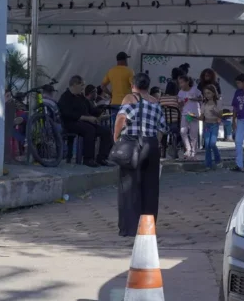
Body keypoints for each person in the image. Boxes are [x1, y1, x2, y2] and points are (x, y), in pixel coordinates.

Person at [113, 73, 167, 237]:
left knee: (128, 186)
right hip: (150, 145)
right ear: (148, 86)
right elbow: (162, 128)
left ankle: (129, 228)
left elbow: (121, 119)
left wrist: (116, 139)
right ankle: (147, 227)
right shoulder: (155, 103)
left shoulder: (129, 99)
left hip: (131, 145)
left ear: (133, 85)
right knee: (151, 187)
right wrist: (154, 143)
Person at [58, 75, 114, 167]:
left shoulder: (81, 97)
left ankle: (102, 158)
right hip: (71, 124)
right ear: (75, 84)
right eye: (82, 85)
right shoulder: (65, 97)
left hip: (85, 122)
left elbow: (91, 110)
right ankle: (88, 159)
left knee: (106, 131)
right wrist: (87, 118)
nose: (83, 88)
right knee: (90, 129)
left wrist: (101, 114)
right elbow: (67, 114)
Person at [177, 75, 202, 160]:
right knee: (183, 131)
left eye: (182, 82)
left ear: (187, 82)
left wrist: (192, 99)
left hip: (194, 114)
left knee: (193, 133)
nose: (181, 85)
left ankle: (193, 152)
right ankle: (188, 149)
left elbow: (201, 98)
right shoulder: (180, 92)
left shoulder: (194, 89)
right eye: (179, 83)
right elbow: (179, 104)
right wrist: (181, 103)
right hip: (185, 113)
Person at [200, 86, 223, 169]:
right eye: (205, 93)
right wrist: (193, 116)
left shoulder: (218, 103)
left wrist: (215, 113)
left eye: (209, 93)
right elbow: (201, 117)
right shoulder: (204, 104)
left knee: (212, 143)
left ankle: (218, 160)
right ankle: (208, 164)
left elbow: (221, 115)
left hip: (214, 125)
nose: (207, 95)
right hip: (206, 125)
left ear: (213, 93)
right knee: (207, 145)